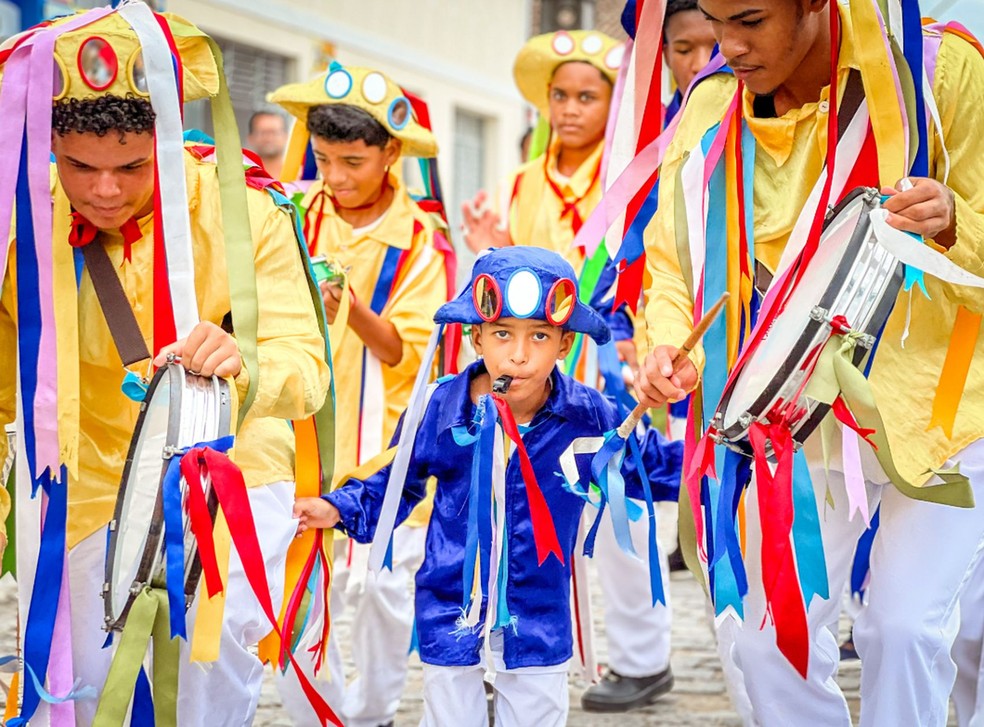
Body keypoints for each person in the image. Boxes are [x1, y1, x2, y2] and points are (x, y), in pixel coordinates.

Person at [636, 1, 984, 725]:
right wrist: (666, 345)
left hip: (948, 410)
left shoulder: (940, 70)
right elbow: (671, 261)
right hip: (796, 417)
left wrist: (956, 219)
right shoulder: (710, 107)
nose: (727, 46)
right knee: (764, 645)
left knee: (904, 627)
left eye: (750, 20)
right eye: (714, 21)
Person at [0, 7, 331, 727]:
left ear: (168, 141)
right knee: (89, 698)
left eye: (131, 167)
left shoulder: (249, 212)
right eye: (80, 165)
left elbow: (306, 370)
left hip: (230, 484)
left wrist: (242, 364)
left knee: (208, 699)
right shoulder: (20, 220)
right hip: (79, 489)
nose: (106, 191)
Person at [294, 245, 684, 727]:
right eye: (502, 334)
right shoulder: (440, 406)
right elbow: (394, 482)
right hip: (448, 610)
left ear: (565, 344)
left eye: (539, 336)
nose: (518, 355)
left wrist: (730, 462)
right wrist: (337, 508)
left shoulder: (590, 414)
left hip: (539, 615)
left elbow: (658, 467)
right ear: (476, 337)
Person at [270, 64, 452, 727]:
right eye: (323, 159)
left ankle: (373, 711)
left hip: (380, 438)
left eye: (352, 161)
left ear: (391, 153)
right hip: (292, 429)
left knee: (378, 582)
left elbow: (403, 349)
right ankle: (318, 714)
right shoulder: (287, 215)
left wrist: (345, 305)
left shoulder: (418, 241)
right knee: (296, 579)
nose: (336, 176)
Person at [247, 108, 290, 180]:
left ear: (286, 137)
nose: (269, 138)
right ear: (250, 138)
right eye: (263, 133)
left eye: (274, 132)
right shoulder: (242, 177)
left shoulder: (300, 175)